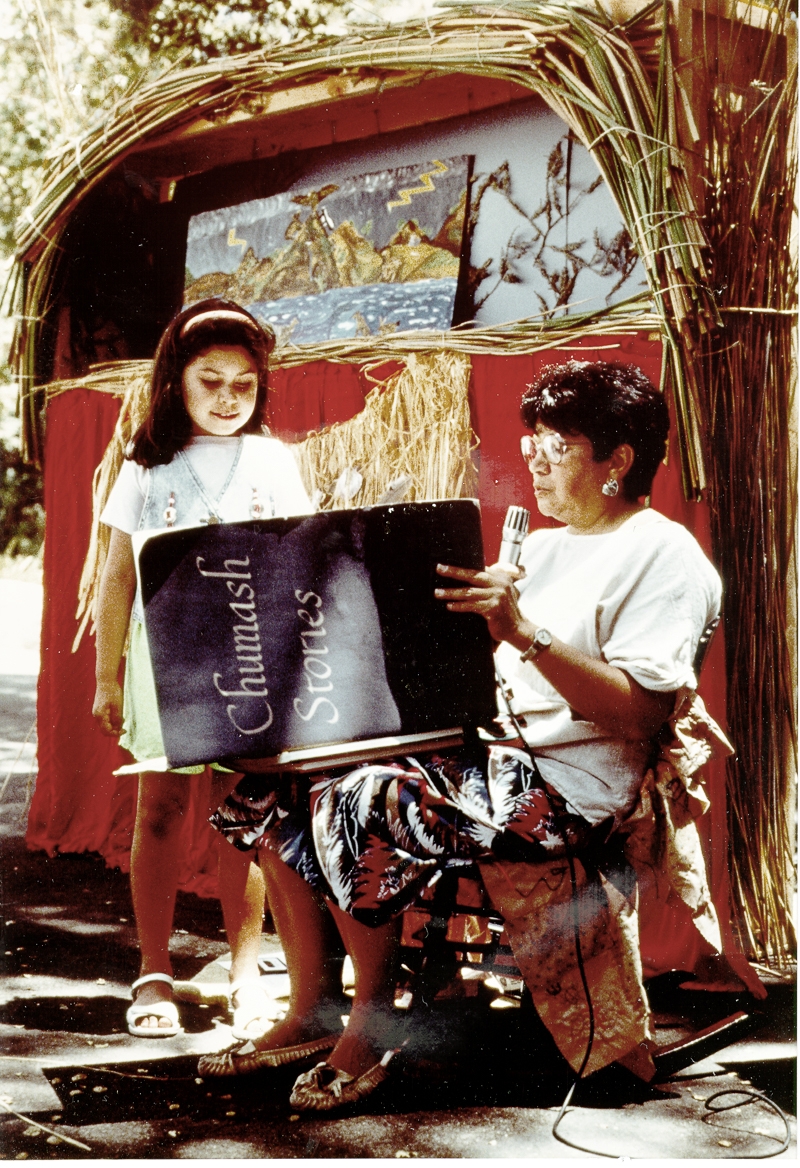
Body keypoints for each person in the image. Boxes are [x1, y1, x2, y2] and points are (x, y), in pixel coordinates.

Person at [201, 359, 722, 1108]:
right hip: (492, 754)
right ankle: (312, 1007)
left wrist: (524, 632)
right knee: (271, 782)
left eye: (559, 442)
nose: (534, 455)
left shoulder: (663, 555)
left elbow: (640, 713)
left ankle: (371, 1023)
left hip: (567, 788)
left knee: (360, 797)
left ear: (618, 460)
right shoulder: (542, 545)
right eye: (532, 437)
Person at [92, 298, 312, 1039]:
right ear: (175, 381)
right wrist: (106, 676)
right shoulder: (147, 464)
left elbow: (298, 562)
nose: (226, 398)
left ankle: (246, 972)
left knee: (242, 824)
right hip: (168, 667)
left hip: (252, 665)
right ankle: (154, 969)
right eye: (210, 380)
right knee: (159, 813)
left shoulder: (273, 461)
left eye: (243, 385)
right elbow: (117, 575)